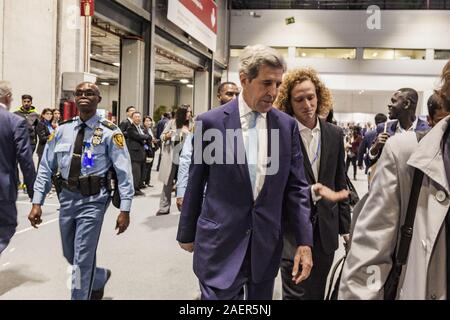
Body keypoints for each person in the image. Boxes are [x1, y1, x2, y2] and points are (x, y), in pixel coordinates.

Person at [177, 45, 348, 300]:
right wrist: (187, 231)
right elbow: (197, 179)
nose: (274, 92)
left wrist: (304, 241)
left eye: (278, 84)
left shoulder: (285, 126)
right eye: (266, 83)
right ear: (244, 79)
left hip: (265, 247)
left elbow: (296, 187)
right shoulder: (212, 122)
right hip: (220, 244)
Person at [339, 60, 450, 300]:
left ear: (408, 104)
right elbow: (370, 253)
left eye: (394, 100)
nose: (390, 104)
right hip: (394, 193)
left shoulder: (422, 129)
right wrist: (374, 152)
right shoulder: (390, 136)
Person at [28, 82, 134, 300]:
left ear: (98, 99)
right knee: (70, 253)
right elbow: (46, 167)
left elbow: (124, 172)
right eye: (79, 93)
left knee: (82, 258)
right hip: (66, 198)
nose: (84, 96)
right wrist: (37, 202)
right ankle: (98, 278)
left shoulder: (110, 132)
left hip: (94, 199)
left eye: (89, 93)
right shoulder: (62, 130)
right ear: (74, 99)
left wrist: (125, 208)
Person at [275, 67, 351, 300]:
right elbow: (276, 187)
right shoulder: (280, 135)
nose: (307, 104)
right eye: (299, 99)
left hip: (325, 234)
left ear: (319, 95)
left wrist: (346, 229)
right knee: (295, 293)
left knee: (318, 293)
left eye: (311, 97)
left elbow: (340, 181)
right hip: (292, 232)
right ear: (289, 103)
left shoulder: (335, 134)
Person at [176, 82, 240, 211]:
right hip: (210, 193)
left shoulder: (245, 123)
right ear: (219, 96)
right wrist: (181, 191)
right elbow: (186, 158)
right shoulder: (206, 121)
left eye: (237, 94)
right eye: (229, 94)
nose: (234, 98)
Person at [0, 81, 36, 255]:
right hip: (3, 188)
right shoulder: (15, 121)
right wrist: (33, 192)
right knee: (6, 227)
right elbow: (25, 159)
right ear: (7, 97)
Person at [368, 88, 430, 166]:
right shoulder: (384, 128)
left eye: (394, 101)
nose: (389, 104)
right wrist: (375, 148)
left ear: (406, 104)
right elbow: (370, 162)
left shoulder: (428, 131)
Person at [157, 105, 192, 215]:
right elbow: (162, 136)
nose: (189, 114)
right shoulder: (172, 123)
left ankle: (184, 206)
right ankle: (164, 207)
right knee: (168, 183)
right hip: (172, 156)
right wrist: (169, 135)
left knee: (186, 182)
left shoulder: (193, 123)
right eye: (187, 112)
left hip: (187, 158)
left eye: (190, 112)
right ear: (181, 113)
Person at [126, 111, 151, 196]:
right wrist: (147, 137)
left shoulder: (140, 127)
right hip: (134, 154)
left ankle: (138, 187)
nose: (138, 118)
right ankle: (134, 189)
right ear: (132, 118)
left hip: (141, 153)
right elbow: (137, 136)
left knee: (141, 172)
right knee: (135, 173)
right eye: (136, 117)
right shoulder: (130, 128)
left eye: (139, 117)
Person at [142, 116, 157, 188]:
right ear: (144, 122)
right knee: (146, 166)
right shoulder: (143, 130)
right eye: (146, 121)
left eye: (149, 121)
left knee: (150, 166)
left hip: (152, 149)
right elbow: (144, 141)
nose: (148, 122)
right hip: (147, 150)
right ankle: (143, 181)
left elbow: (154, 139)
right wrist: (147, 148)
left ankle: (148, 181)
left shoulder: (152, 130)